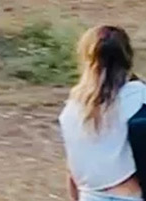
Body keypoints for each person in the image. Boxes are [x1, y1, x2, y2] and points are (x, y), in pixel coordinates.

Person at [60, 25, 144, 201]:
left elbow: (72, 170)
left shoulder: (73, 107)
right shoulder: (138, 96)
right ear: (128, 57)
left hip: (89, 195)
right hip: (128, 195)